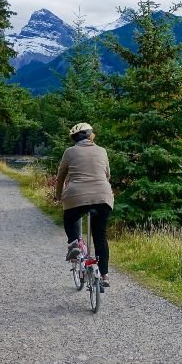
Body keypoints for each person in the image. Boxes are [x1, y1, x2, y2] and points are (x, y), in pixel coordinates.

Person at [55, 123, 114, 288]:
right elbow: (107, 174)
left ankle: (74, 244)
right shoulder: (102, 150)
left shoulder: (69, 152)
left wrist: (58, 196)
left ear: (75, 138)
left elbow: (60, 177)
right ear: (90, 136)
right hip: (103, 196)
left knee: (70, 218)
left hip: (76, 196)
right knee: (100, 236)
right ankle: (104, 275)